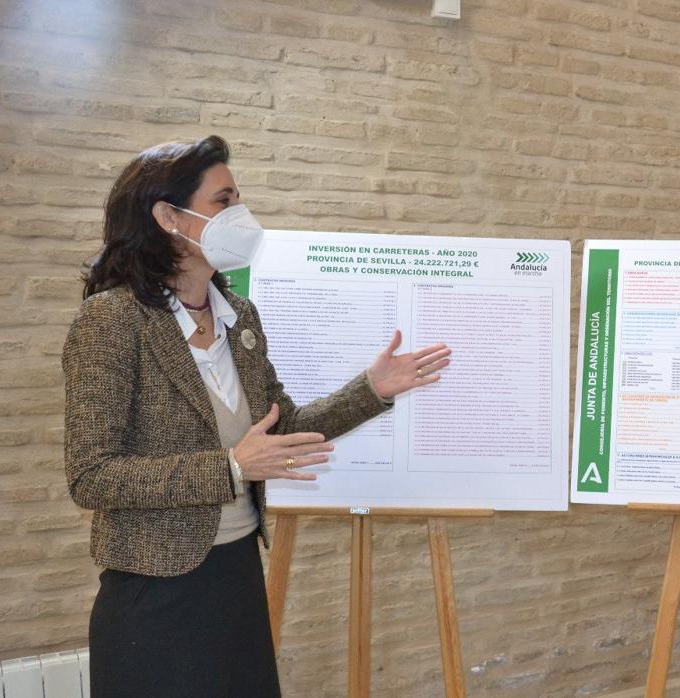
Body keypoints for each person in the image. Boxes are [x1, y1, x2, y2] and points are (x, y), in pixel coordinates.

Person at [62, 135, 452, 697]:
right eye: (223, 201)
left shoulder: (238, 316)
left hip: (238, 574)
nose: (240, 215)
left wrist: (370, 390)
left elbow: (280, 428)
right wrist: (230, 468)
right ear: (168, 216)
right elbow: (91, 476)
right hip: (155, 591)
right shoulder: (112, 321)